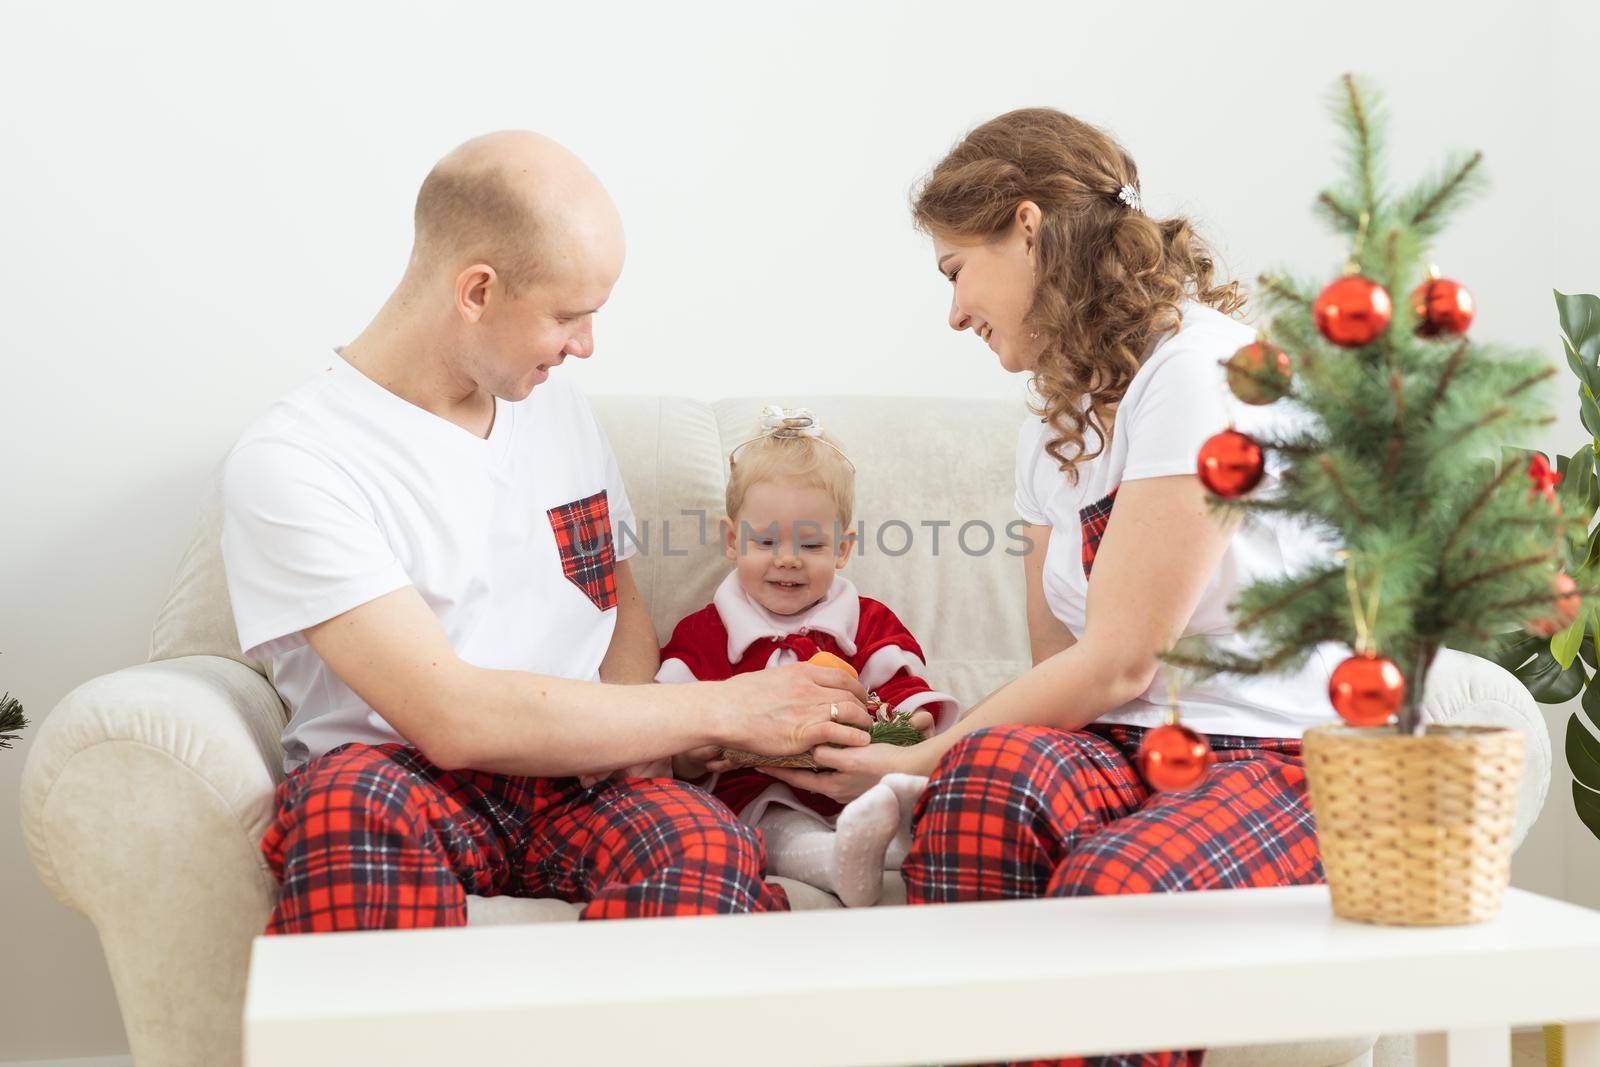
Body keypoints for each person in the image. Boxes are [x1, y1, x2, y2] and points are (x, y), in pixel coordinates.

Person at [757, 108, 1330, 1067]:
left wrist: (918, 753)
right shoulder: (1054, 419)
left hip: (1269, 758)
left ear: (1028, 229)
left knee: (1111, 897)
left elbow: (1117, 661)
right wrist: (922, 757)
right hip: (1126, 749)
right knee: (988, 784)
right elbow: (1055, 681)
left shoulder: (1199, 372)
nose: (952, 312)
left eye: (955, 271)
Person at [220, 131, 872, 933]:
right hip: (406, 775)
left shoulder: (553, 405)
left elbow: (615, 599)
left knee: (703, 842)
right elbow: (449, 716)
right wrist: (725, 707)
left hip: (584, 773)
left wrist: (640, 734)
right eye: (569, 314)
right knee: (346, 809)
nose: (585, 345)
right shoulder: (297, 459)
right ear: (477, 291)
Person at [656, 406, 958, 906]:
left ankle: (902, 839)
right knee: (774, 825)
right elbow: (665, 718)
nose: (788, 558)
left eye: (811, 544)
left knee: (913, 788)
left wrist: (911, 724)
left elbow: (904, 690)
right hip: (761, 790)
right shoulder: (705, 634)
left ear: (842, 549)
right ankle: (835, 861)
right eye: (767, 540)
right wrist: (690, 755)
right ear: (733, 540)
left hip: (861, 776)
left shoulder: (866, 620)